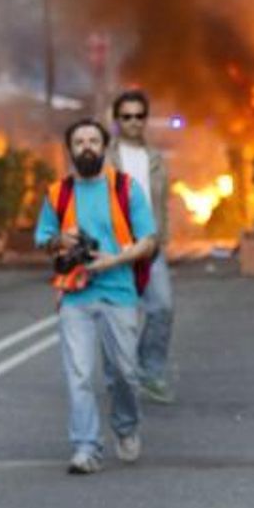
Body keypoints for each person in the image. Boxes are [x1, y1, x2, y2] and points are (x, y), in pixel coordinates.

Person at [36, 119, 157, 475]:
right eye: (79, 141)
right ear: (70, 150)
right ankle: (86, 447)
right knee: (79, 374)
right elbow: (43, 238)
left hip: (119, 293)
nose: (86, 146)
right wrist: (62, 239)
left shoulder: (125, 188)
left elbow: (149, 240)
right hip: (75, 296)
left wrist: (113, 260)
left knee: (125, 372)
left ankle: (126, 425)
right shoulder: (57, 193)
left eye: (93, 140)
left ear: (104, 146)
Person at [106, 88, 176, 405]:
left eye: (139, 116)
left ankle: (151, 374)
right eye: (127, 117)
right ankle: (120, 378)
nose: (133, 122)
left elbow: (162, 202)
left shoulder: (155, 158)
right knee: (121, 319)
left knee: (162, 308)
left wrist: (163, 237)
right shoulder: (105, 158)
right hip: (117, 248)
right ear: (117, 120)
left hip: (151, 246)